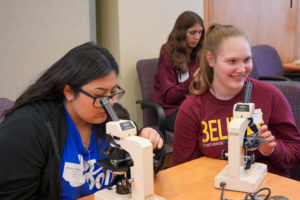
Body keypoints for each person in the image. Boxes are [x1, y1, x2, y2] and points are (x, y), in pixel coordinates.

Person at [0, 42, 165, 200]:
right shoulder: (27, 130)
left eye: (113, 92)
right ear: (69, 92)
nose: (109, 103)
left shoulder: (114, 116)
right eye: (100, 95)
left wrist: (151, 144)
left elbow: (144, 170)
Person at [172, 23, 300, 177]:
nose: (241, 69)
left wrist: (272, 149)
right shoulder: (192, 109)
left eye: (247, 59)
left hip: (268, 185)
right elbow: (182, 171)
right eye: (232, 61)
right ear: (211, 60)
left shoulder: (270, 96)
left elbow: (295, 152)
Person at [152, 11, 205, 132]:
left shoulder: (199, 53)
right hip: (172, 110)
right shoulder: (167, 55)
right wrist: (193, 79)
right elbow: (170, 97)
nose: (197, 37)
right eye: (192, 32)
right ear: (181, 33)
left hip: (194, 106)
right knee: (200, 128)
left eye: (200, 32)